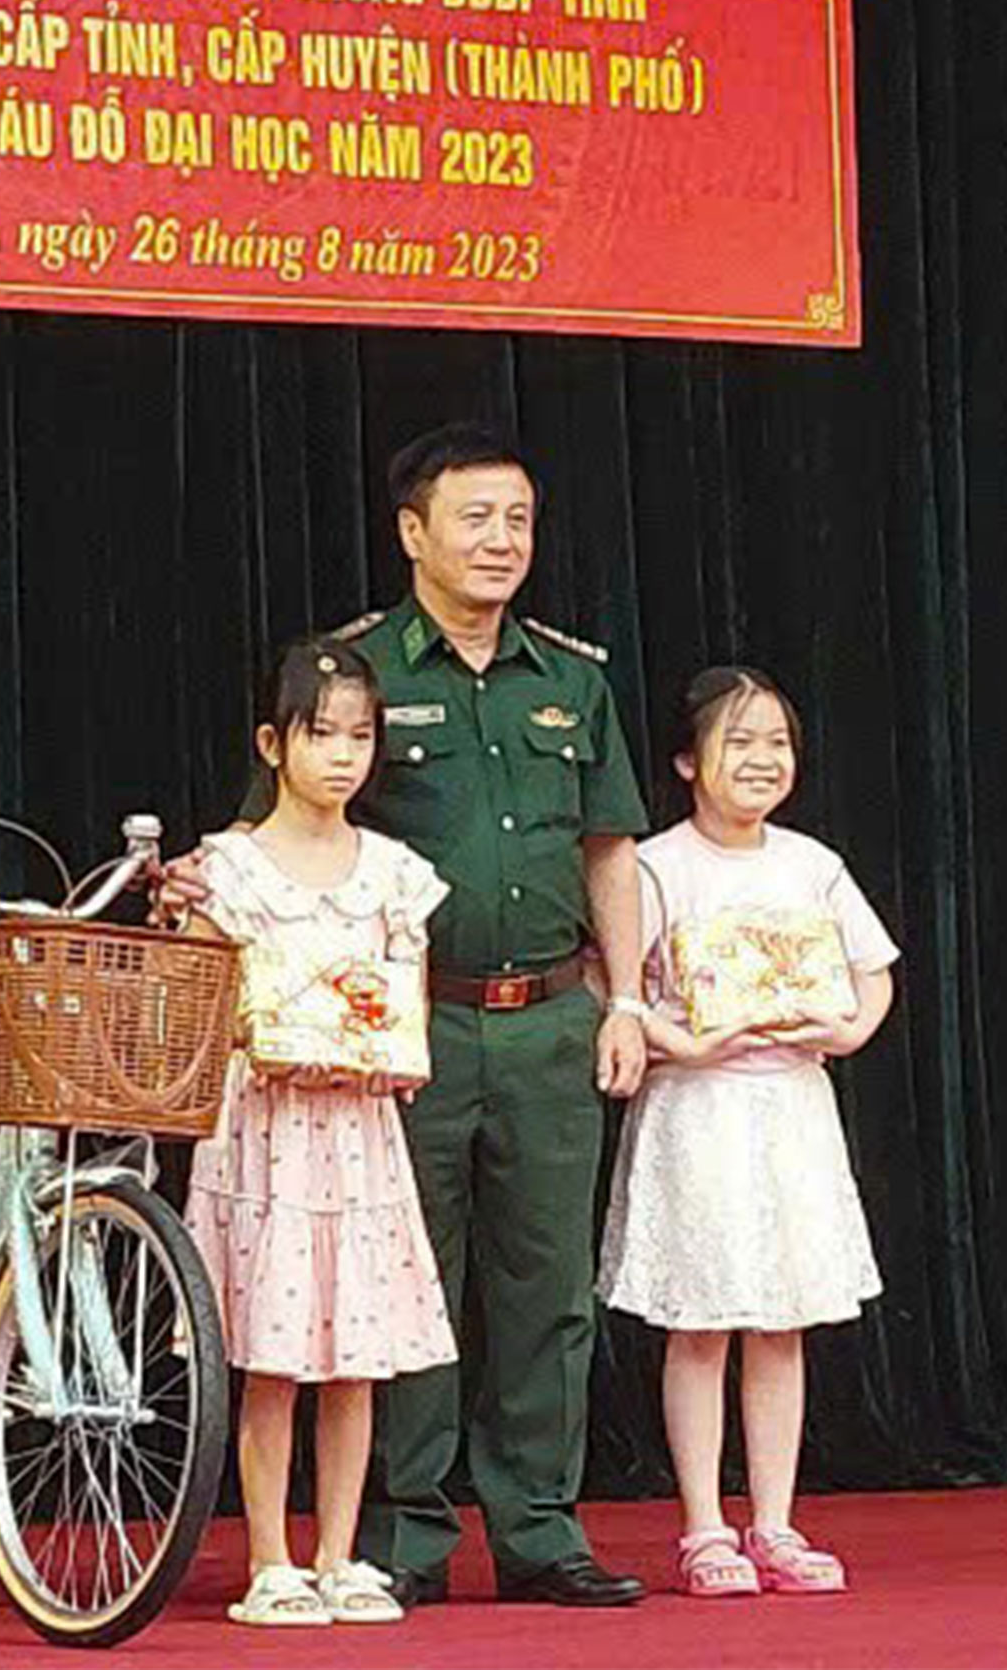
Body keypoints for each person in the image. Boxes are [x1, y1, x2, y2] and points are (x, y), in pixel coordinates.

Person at [162, 422, 654, 1610]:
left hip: (547, 1016)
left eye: (519, 519)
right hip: (391, 1040)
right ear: (413, 532)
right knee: (395, 1282)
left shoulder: (572, 680)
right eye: (475, 517)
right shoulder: (358, 673)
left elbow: (609, 848)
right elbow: (273, 830)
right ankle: (398, 1536)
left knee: (548, 1289)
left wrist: (629, 996)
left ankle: (540, 1528)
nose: (501, 541)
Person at [597, 666, 896, 1598]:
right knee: (700, 1324)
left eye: (778, 743)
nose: (763, 759)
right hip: (699, 1110)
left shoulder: (812, 865)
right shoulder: (656, 866)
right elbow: (612, 987)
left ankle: (775, 1522)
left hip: (791, 1109)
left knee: (780, 1322)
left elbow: (874, 969)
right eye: (740, 742)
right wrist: (682, 1041)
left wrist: (848, 1030)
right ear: (688, 761)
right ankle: (703, 1528)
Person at [179, 637, 457, 1627]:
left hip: (357, 1129)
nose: (342, 756)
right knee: (274, 1354)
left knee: (355, 1352)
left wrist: (385, 1049)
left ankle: (340, 1555)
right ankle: (269, 1558)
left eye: (359, 736)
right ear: (273, 743)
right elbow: (199, 997)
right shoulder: (225, 868)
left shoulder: (395, 873)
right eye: (321, 734)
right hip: (266, 1127)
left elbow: (407, 999)